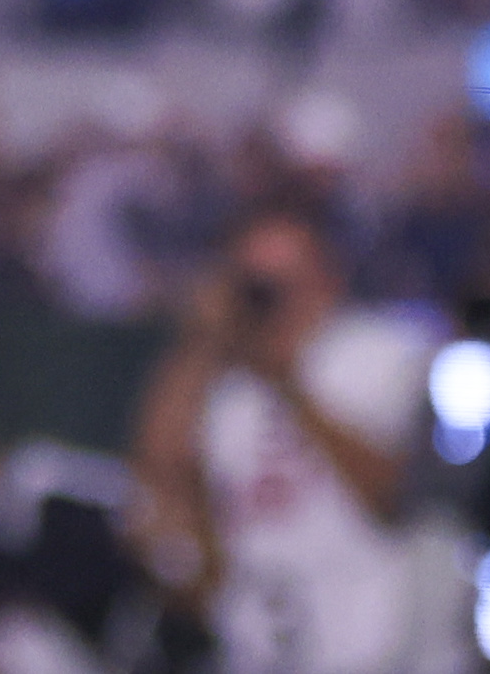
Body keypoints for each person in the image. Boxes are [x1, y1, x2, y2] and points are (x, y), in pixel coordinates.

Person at [129, 205, 433, 674]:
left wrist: (285, 383)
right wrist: (201, 340)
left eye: (280, 283)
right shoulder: (226, 378)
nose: (268, 303)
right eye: (252, 286)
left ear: (327, 278)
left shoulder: (382, 351)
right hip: (254, 640)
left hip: (368, 639)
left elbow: (392, 494)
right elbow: (161, 476)